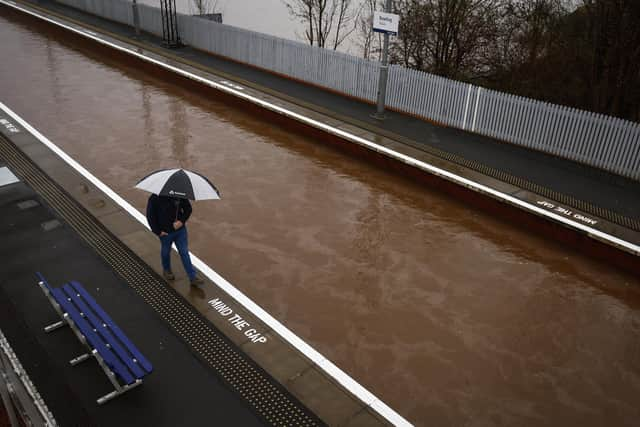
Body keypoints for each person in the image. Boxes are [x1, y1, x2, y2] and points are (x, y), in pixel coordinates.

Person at [146, 194, 204, 286]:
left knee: (184, 252)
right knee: (166, 251)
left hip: (180, 231)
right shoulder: (154, 198)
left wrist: (181, 221)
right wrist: (158, 232)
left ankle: (192, 277)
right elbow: (150, 216)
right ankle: (167, 270)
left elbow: (188, 209)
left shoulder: (179, 195)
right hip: (165, 233)